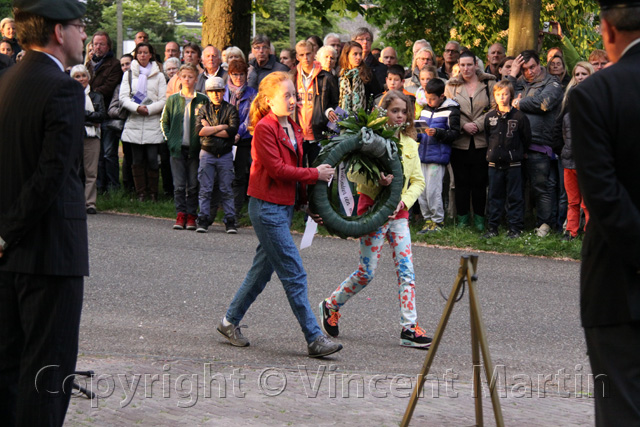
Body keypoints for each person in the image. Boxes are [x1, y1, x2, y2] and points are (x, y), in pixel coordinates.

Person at [0, 1, 89, 425]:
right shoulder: (64, 88)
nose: (84, 34)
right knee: (47, 377)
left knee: (10, 372)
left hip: (9, 256)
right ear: (58, 31)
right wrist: (9, 232)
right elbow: (52, 175)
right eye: (79, 26)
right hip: (49, 255)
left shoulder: (7, 79)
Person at [217, 71, 342, 358]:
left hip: (282, 209)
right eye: (286, 96)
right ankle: (314, 338)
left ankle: (228, 322)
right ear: (269, 101)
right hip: (265, 209)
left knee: (261, 273)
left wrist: (306, 205)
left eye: (294, 95)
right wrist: (315, 174)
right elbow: (277, 170)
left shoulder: (295, 128)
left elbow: (293, 176)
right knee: (294, 273)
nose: (293, 100)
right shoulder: (263, 128)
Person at [571, 1, 640, 424]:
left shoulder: (595, 93)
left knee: (621, 412)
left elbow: (602, 194)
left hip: (618, 284)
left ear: (607, 30)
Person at [319, 90, 431, 348]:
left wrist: (404, 201)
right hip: (373, 212)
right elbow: (354, 174)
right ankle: (331, 304)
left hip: (399, 214)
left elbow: (418, 181)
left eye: (404, 111)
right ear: (384, 112)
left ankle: (409, 328)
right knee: (366, 272)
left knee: (407, 272)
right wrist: (376, 180)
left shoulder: (411, 144)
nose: (400, 115)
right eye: (395, 111)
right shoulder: (370, 139)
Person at [507, 50, 563, 237]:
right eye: (524, 69)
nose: (529, 72)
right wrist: (512, 75)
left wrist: (518, 104)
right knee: (516, 187)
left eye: (532, 67)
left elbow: (543, 103)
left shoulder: (552, 82)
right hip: (516, 144)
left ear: (540, 64)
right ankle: (516, 224)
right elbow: (502, 96)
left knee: (542, 187)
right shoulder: (519, 83)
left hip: (540, 144)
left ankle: (545, 225)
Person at [444, 50, 496, 231]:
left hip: (482, 140)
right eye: (462, 65)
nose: (466, 69)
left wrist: (479, 124)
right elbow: (448, 109)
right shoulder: (451, 85)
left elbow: (495, 107)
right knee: (461, 182)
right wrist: (464, 125)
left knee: (480, 182)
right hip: (460, 140)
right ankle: (462, 219)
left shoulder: (489, 82)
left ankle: (480, 220)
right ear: (458, 66)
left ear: (476, 65)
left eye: (469, 64)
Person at [161, 63, 209, 231]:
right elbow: (164, 122)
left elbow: (209, 121)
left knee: (194, 184)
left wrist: (204, 143)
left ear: (195, 79)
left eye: (190, 77)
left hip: (196, 150)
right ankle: (180, 214)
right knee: (179, 184)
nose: (187, 80)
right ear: (179, 79)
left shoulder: (202, 99)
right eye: (184, 77)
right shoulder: (173, 100)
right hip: (177, 149)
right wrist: (171, 140)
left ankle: (191, 215)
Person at [482, 80, 531, 239]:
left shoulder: (519, 116)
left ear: (510, 95)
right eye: (498, 95)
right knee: (494, 196)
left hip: (514, 164)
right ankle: (492, 228)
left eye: (504, 94)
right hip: (494, 163)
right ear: (494, 96)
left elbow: (526, 138)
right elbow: (488, 136)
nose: (501, 97)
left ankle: (515, 228)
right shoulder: (489, 117)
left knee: (515, 197)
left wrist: (518, 152)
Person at [120, 42, 167, 201]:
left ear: (151, 54)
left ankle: (153, 193)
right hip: (134, 121)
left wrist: (150, 109)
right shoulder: (128, 74)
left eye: (145, 52)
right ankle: (140, 192)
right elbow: (123, 98)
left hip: (152, 121)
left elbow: (163, 99)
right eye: (139, 52)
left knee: (153, 159)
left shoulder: (159, 75)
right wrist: (136, 108)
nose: (142, 55)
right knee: (137, 159)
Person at [195, 76, 239, 234]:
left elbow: (232, 131)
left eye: (219, 91)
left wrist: (210, 129)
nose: (215, 94)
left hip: (225, 154)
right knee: (205, 188)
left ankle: (230, 220)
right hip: (207, 152)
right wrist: (221, 127)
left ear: (223, 91)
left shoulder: (231, 109)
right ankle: (203, 218)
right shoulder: (203, 109)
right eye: (212, 91)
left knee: (226, 188)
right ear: (207, 93)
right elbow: (199, 131)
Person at [415, 79, 460, 234]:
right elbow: (420, 134)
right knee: (421, 190)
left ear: (441, 96)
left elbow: (454, 133)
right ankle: (427, 219)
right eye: (427, 98)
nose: (429, 101)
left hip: (438, 157)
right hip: (423, 155)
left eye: (433, 99)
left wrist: (438, 133)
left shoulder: (451, 110)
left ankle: (438, 221)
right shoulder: (425, 110)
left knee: (433, 191)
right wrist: (415, 134)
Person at [557, 62, 594, 240]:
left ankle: (590, 232)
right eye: (577, 74)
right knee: (572, 200)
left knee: (587, 202)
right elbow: (564, 136)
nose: (580, 77)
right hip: (569, 160)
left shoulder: (597, 110)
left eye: (583, 74)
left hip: (588, 162)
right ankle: (571, 231)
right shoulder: (567, 116)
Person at [291, 40, 339, 168]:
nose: (305, 58)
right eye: (301, 55)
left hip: (318, 134)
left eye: (308, 54)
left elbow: (336, 102)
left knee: (318, 176)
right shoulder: (292, 76)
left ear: (314, 54)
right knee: (296, 175)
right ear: (297, 57)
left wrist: (329, 111)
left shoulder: (326, 77)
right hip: (297, 134)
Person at [87, 30, 123, 194]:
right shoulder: (88, 64)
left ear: (108, 46)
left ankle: (113, 188)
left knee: (109, 153)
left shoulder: (114, 64)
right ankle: (100, 188)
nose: (98, 47)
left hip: (107, 113)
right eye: (95, 44)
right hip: (91, 114)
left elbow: (109, 87)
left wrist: (89, 93)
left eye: (102, 44)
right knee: (97, 155)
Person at [224, 59, 257, 221]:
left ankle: (235, 212)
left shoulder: (252, 94)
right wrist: (228, 132)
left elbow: (252, 117)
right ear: (229, 74)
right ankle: (223, 208)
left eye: (241, 74)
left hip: (244, 140)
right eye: (235, 74)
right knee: (224, 175)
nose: (238, 78)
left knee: (240, 176)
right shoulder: (224, 92)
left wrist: (238, 132)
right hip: (224, 138)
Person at [71, 64, 106, 214]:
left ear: (88, 77)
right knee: (74, 171)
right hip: (74, 136)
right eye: (77, 76)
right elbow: (70, 115)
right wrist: (90, 117)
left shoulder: (97, 96)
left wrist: (82, 114)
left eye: (83, 75)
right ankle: (75, 202)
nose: (81, 79)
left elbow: (101, 116)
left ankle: (90, 203)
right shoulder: (69, 95)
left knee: (91, 171)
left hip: (92, 137)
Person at [338, 40, 383, 112]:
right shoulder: (340, 75)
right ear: (347, 55)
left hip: (365, 118)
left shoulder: (368, 73)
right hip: (344, 118)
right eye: (355, 54)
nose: (359, 57)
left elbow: (377, 96)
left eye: (360, 54)